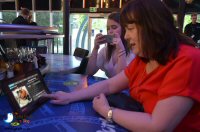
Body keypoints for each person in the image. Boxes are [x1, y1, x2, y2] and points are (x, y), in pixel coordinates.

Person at [43, 0, 200, 131]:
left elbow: (158, 126)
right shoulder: (145, 58)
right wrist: (70, 97)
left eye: (130, 29)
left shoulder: (187, 59)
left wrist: (107, 111)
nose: (125, 35)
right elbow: (110, 85)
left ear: (152, 27)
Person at [86, 12, 135, 78]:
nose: (110, 31)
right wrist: (95, 48)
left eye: (114, 27)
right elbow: (90, 72)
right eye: (108, 28)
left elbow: (121, 79)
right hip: (111, 87)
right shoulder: (105, 51)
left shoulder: (134, 51)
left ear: (124, 29)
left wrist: (120, 49)